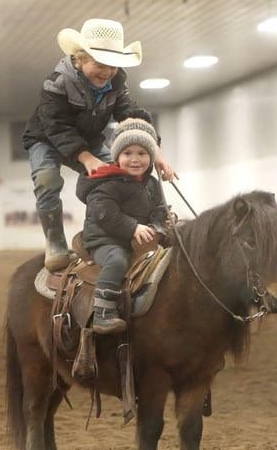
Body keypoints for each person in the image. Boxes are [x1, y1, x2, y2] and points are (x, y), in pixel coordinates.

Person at [22, 18, 177, 271]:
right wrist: (87, 158)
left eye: (113, 66)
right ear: (80, 59)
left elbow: (131, 115)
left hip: (89, 139)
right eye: (100, 64)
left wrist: (156, 152)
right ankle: (55, 240)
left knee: (122, 174)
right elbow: (57, 127)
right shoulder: (56, 83)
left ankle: (123, 229)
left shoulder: (116, 82)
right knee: (47, 179)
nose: (107, 72)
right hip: (46, 138)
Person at [76, 118, 169, 334]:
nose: (135, 159)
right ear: (117, 156)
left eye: (142, 153)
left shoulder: (151, 183)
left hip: (137, 239)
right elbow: (105, 214)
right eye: (127, 153)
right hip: (105, 239)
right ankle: (103, 311)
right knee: (117, 260)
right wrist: (134, 227)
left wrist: (163, 220)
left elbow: (158, 207)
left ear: (151, 157)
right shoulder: (106, 182)